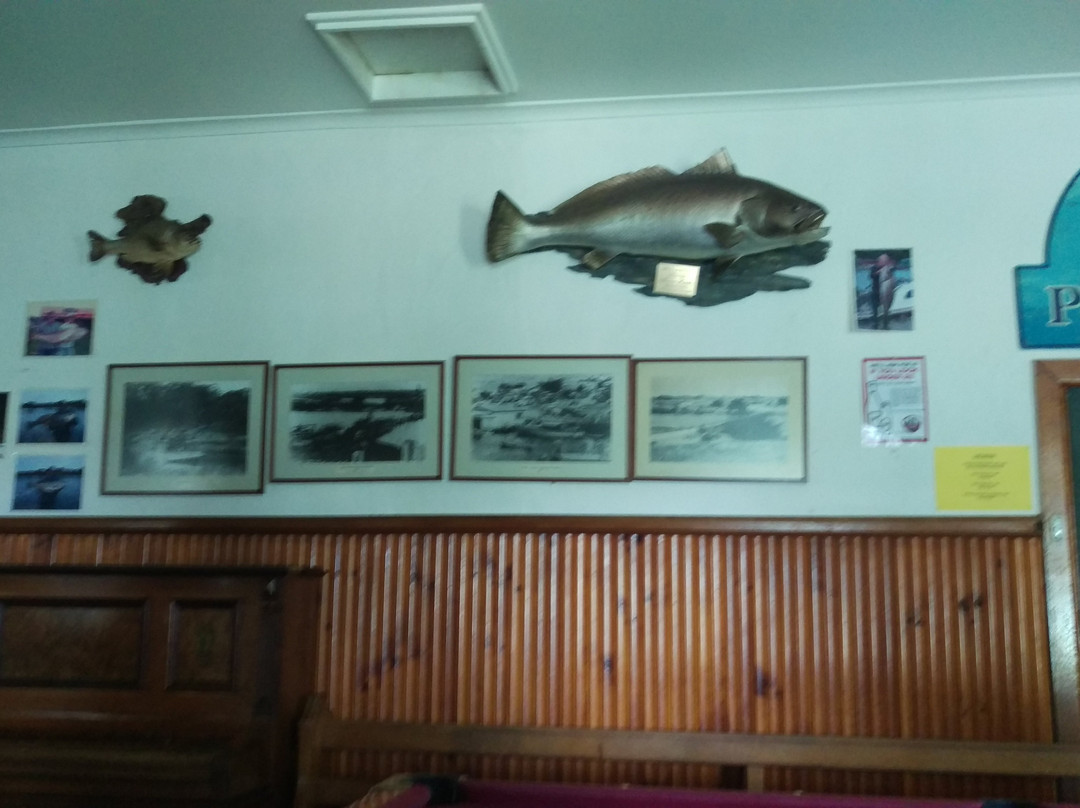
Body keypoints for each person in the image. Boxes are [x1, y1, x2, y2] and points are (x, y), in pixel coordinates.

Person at [872, 253, 897, 329]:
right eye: (882, 260)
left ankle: (885, 324)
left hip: (886, 291)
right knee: (875, 310)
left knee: (886, 308)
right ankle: (875, 325)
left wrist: (889, 266)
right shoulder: (874, 268)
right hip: (875, 292)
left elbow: (893, 268)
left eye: (885, 260)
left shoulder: (889, 268)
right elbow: (872, 275)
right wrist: (878, 272)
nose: (883, 262)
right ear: (879, 261)